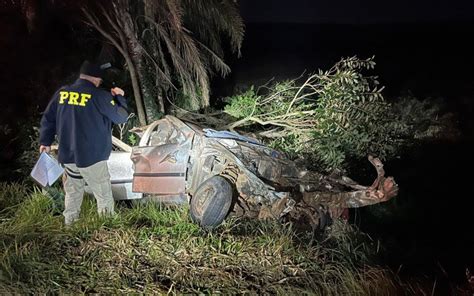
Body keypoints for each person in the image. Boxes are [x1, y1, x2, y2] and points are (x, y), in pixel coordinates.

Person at [39, 60, 129, 225]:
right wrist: (120, 98)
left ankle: (70, 226)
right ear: (97, 78)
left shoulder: (62, 93)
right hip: (92, 157)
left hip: (68, 156)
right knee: (103, 194)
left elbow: (48, 119)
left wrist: (45, 141)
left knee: (72, 193)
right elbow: (121, 116)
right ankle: (106, 227)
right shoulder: (99, 96)